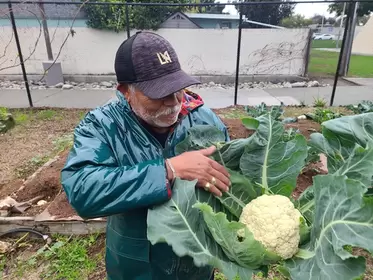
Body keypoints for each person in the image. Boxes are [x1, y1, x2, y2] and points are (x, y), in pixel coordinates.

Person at [61, 31, 231, 280]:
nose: (173, 102)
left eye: (178, 89)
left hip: (196, 259)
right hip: (135, 264)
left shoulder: (204, 119)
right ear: (126, 90)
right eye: (158, 94)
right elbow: (82, 190)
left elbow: (228, 180)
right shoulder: (102, 125)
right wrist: (168, 170)